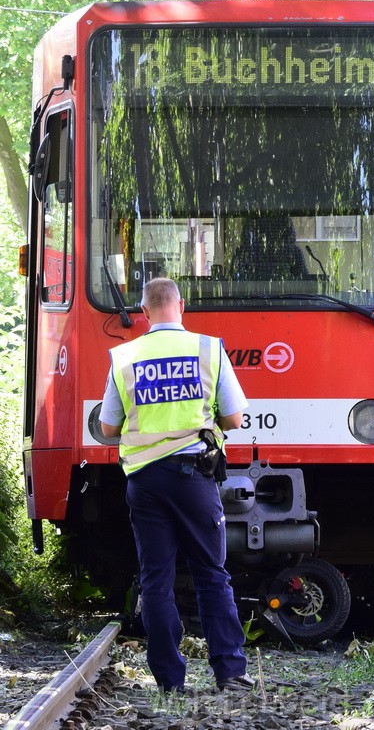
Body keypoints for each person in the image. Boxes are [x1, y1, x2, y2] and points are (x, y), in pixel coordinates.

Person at [99, 277, 253, 693]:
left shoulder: (124, 356)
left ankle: (170, 680)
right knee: (210, 573)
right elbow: (235, 419)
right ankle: (230, 672)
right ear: (181, 306)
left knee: (156, 578)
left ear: (144, 311)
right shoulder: (208, 348)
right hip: (193, 477)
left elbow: (108, 426)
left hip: (145, 482)